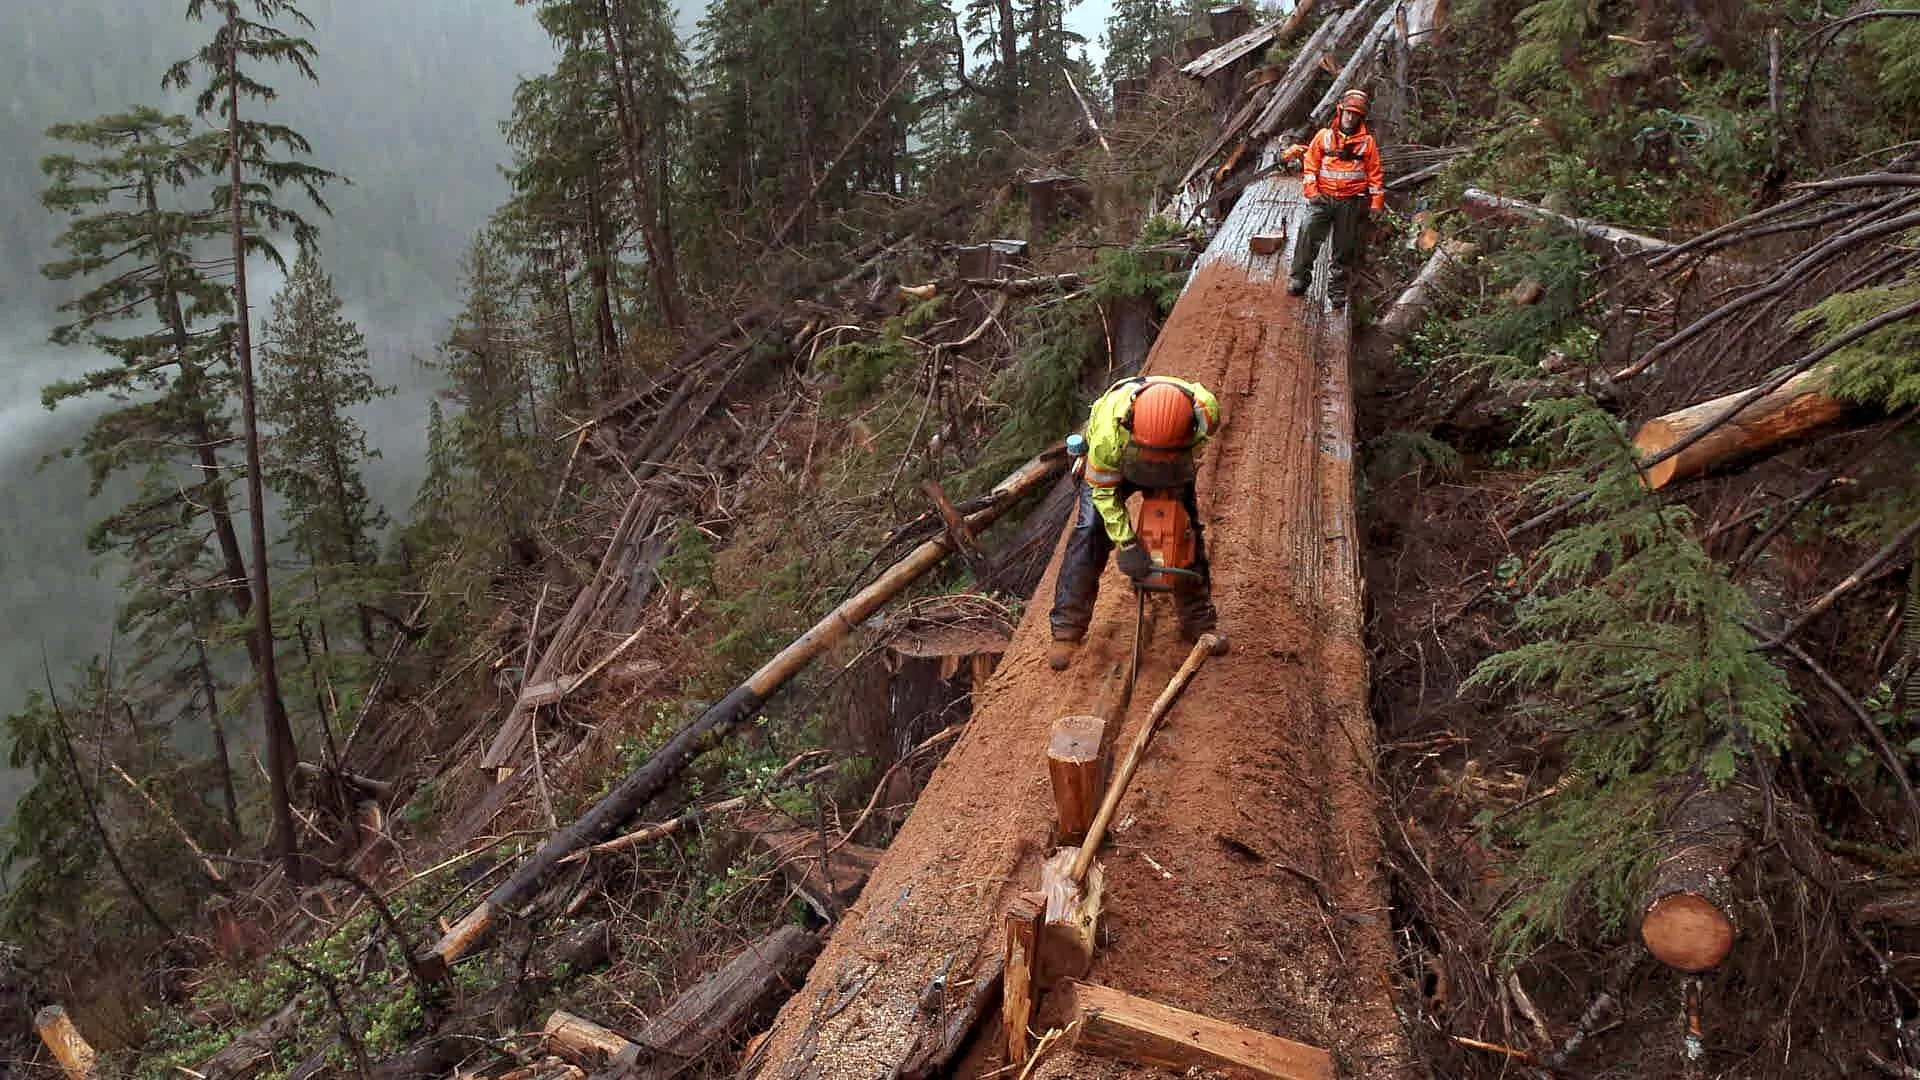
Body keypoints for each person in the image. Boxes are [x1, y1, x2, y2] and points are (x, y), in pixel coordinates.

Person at [1047, 375, 1228, 671]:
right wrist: (1128, 543)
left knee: (1183, 528)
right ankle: (1067, 628)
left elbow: (1202, 444)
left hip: (1173, 459)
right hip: (1119, 462)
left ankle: (1198, 621)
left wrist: (1178, 461)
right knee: (1090, 529)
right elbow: (1104, 494)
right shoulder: (1108, 435)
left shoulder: (1206, 412)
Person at [1287, 88, 1385, 306]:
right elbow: (1310, 165)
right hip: (1323, 198)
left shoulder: (1367, 143)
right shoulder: (1324, 136)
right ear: (1341, 111)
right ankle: (1299, 279)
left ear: (1361, 117)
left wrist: (1376, 204)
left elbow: (1375, 174)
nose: (1350, 117)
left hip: (1351, 201)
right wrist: (1312, 192)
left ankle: (1338, 289)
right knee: (1307, 232)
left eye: (1355, 114)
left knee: (1345, 246)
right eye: (1348, 112)